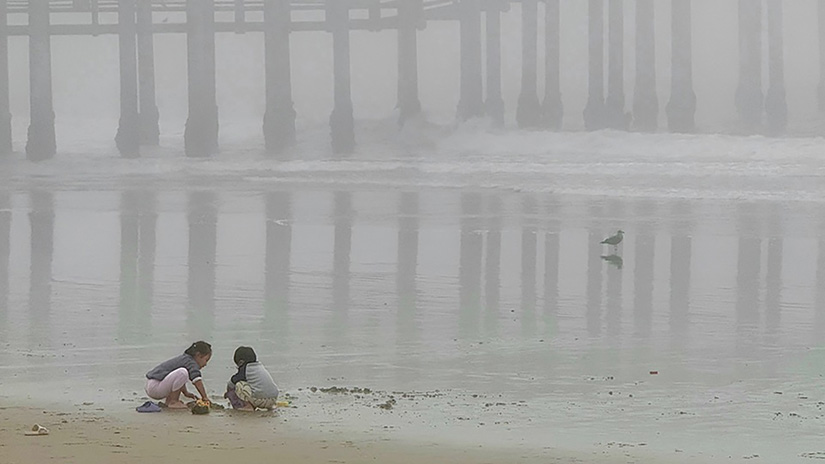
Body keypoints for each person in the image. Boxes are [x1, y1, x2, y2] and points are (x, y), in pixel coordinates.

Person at [145, 341, 212, 410]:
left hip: (152, 385)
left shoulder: (185, 359)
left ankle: (169, 401)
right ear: (198, 355)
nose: (205, 364)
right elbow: (197, 380)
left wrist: (186, 393)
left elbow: (178, 380)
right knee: (183, 372)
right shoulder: (191, 362)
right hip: (155, 386)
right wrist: (204, 397)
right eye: (206, 360)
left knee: (182, 373)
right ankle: (173, 401)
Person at [224, 346, 279, 411]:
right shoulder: (259, 366)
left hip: (260, 400)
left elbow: (233, 381)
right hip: (273, 400)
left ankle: (248, 406)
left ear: (241, 362)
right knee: (255, 386)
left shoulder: (246, 369)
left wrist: (228, 390)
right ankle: (270, 407)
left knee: (239, 385)